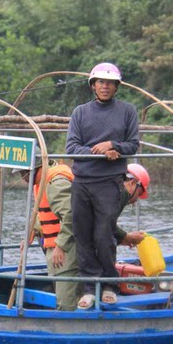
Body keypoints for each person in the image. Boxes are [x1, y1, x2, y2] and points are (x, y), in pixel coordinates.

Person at [65, 62, 140, 309]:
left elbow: (133, 144)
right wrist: (97, 152)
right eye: (100, 82)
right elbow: (72, 147)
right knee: (83, 235)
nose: (105, 86)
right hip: (82, 181)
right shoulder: (80, 113)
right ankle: (89, 287)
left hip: (109, 182)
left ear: (117, 86)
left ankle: (109, 284)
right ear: (93, 85)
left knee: (104, 235)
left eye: (110, 83)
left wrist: (114, 145)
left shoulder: (127, 111)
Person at [14, 159, 80, 311]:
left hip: (68, 252)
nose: (23, 178)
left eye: (25, 173)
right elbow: (44, 214)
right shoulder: (42, 183)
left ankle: (70, 331)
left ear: (38, 168)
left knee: (66, 303)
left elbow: (70, 215)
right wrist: (33, 231)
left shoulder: (56, 183)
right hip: (55, 251)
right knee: (63, 296)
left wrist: (61, 246)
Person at [115, 164, 150, 247]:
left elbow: (103, 231)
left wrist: (121, 240)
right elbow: (106, 224)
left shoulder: (110, 189)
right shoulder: (122, 193)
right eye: (139, 193)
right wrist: (128, 237)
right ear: (132, 183)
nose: (136, 200)